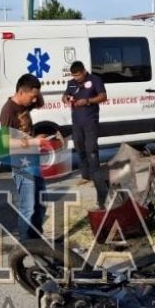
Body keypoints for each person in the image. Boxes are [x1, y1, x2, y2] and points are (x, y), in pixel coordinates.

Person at [0, 74, 48, 240]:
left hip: (33, 160)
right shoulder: (8, 110)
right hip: (21, 163)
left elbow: (41, 103)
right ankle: (25, 244)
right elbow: (5, 142)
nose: (35, 100)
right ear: (21, 92)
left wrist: (36, 92)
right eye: (32, 96)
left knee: (41, 202)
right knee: (28, 207)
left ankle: (36, 238)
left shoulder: (25, 105)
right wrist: (34, 141)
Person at [62, 61, 109, 208]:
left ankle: (96, 176)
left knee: (91, 149)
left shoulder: (95, 80)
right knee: (79, 147)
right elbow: (65, 95)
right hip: (77, 122)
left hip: (90, 120)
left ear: (84, 71)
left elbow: (103, 96)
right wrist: (65, 99)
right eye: (74, 75)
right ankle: (85, 175)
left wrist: (88, 101)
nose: (76, 78)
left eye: (78, 75)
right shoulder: (71, 83)